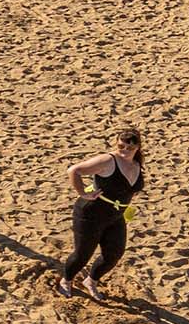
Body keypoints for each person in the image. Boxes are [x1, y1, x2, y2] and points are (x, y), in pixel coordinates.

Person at [60, 127, 144, 298]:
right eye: (121, 146)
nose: (124, 151)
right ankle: (66, 280)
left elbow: (130, 190)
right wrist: (83, 192)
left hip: (116, 216)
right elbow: (74, 170)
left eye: (130, 148)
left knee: (114, 254)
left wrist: (125, 206)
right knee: (82, 255)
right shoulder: (108, 160)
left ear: (137, 148)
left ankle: (91, 281)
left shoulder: (137, 164)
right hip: (90, 214)